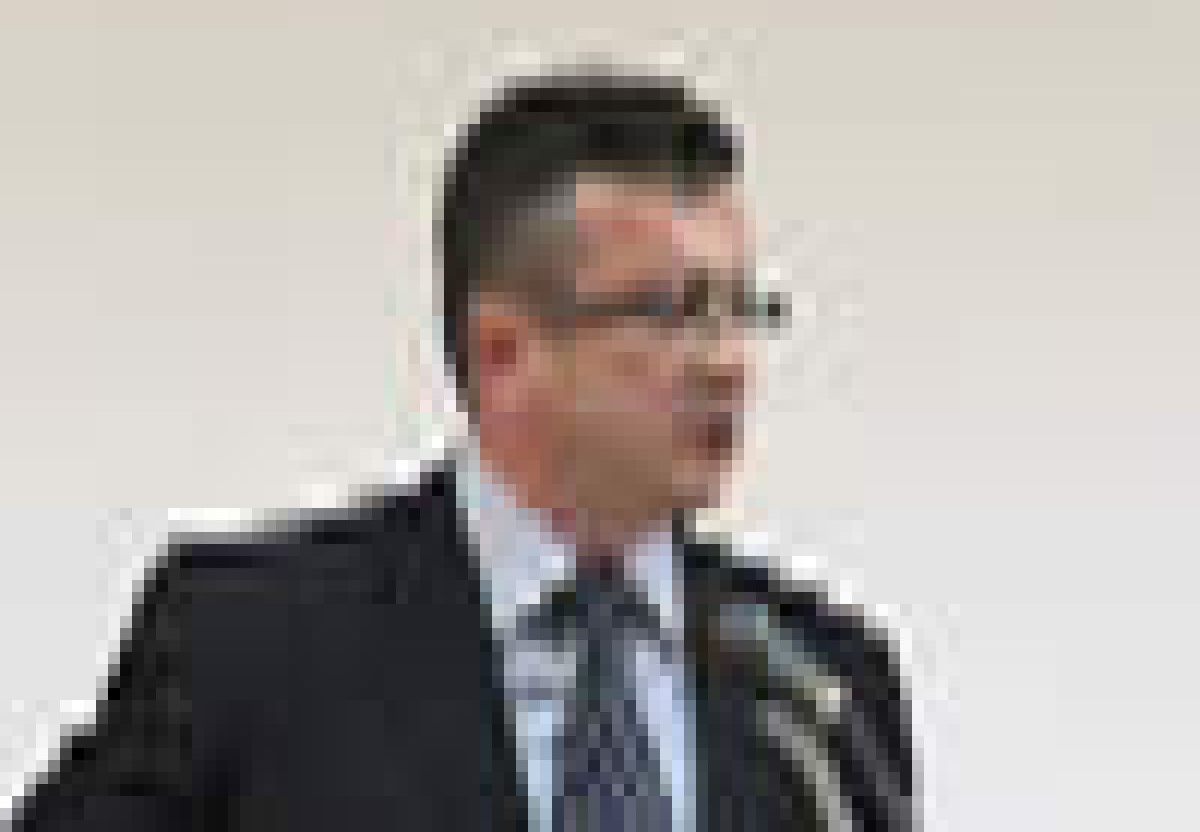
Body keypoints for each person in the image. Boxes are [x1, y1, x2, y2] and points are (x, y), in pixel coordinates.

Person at [11, 67, 916, 831]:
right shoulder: (252, 645)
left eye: (741, 310)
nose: (726, 363)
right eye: (673, 313)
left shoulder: (821, 685)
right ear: (503, 350)